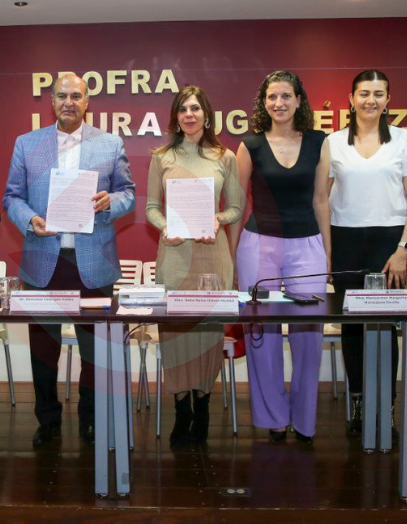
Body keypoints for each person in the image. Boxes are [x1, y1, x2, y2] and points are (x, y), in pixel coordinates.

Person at [4, 74, 135, 446]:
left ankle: (90, 418)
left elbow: (129, 194)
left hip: (93, 261)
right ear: (52, 101)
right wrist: (30, 219)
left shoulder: (110, 143)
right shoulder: (27, 143)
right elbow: (12, 197)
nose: (68, 102)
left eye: (76, 96)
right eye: (62, 96)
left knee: (94, 349)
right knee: (44, 349)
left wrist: (110, 202)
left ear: (87, 101)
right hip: (43, 260)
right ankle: (47, 420)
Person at [314, 70, 407, 438]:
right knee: (353, 327)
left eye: (378, 94)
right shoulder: (333, 142)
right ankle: (359, 402)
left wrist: (403, 249)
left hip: (389, 243)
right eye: (364, 93)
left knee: (384, 326)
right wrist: (327, 250)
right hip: (345, 240)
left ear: (388, 100)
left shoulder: (404, 140)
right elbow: (321, 200)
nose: (370, 100)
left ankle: (386, 406)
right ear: (351, 99)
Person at [228, 71, 327, 444]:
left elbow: (321, 201)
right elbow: (237, 205)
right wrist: (232, 255)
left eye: (286, 96)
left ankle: (304, 420)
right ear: (264, 102)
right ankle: (273, 418)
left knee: (309, 335)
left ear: (299, 101)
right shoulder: (250, 145)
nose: (279, 103)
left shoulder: (319, 142)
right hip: (258, 245)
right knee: (261, 334)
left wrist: (328, 254)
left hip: (307, 245)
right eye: (272, 96)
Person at [146, 85, 244, 447]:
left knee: (206, 334)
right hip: (174, 255)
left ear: (206, 115)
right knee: (175, 335)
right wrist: (165, 227)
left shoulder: (225, 157)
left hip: (211, 255)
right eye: (183, 109)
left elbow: (235, 208)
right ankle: (180, 409)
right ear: (176, 116)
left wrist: (218, 219)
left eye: (196, 108)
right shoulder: (162, 157)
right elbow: (150, 208)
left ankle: (202, 407)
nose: (190, 114)